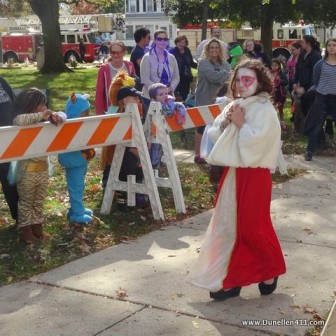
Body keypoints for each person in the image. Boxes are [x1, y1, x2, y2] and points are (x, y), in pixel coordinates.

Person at [186, 59, 286, 300]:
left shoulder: (264, 109)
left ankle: (269, 268)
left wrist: (241, 125)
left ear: (260, 82)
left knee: (252, 226)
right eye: (238, 80)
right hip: (233, 173)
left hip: (255, 173)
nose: (241, 85)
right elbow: (216, 134)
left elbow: (260, 143)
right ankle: (230, 278)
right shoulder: (236, 104)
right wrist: (226, 122)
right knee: (228, 224)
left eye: (247, 80)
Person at [12, 88, 66, 243]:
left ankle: (37, 227)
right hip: (27, 172)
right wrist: (40, 115)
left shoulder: (45, 122)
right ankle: (25, 230)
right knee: (27, 201)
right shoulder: (22, 120)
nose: (44, 107)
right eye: (40, 104)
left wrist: (57, 116)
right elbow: (20, 120)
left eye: (44, 104)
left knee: (39, 200)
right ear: (29, 105)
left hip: (42, 170)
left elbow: (63, 116)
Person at [58, 93, 95, 224]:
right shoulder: (69, 126)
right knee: (76, 187)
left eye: (87, 112)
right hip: (73, 161)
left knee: (79, 185)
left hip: (81, 160)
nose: (86, 115)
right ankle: (77, 213)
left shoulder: (81, 125)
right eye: (83, 113)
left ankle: (76, 209)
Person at [194, 37, 231, 163]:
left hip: (220, 99)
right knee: (202, 126)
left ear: (220, 50)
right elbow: (213, 77)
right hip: (205, 97)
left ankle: (213, 152)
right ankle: (198, 154)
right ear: (207, 50)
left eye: (216, 47)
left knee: (218, 125)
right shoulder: (203, 62)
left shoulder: (225, 64)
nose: (214, 50)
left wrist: (222, 75)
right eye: (211, 48)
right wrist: (223, 75)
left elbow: (228, 77)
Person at [114, 86, 146, 211]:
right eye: (135, 97)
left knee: (137, 173)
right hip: (125, 151)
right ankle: (122, 201)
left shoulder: (137, 112)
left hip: (137, 149)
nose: (138, 99)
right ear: (125, 100)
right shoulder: (121, 114)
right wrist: (133, 149)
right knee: (125, 174)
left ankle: (136, 197)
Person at [304, 37, 336, 161]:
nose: (332, 47)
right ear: (326, 48)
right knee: (317, 125)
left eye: (334, 45)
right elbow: (316, 80)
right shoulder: (320, 64)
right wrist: (321, 90)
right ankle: (309, 151)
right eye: (330, 45)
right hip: (322, 97)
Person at [140, 29, 180, 107]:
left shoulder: (171, 57)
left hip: (168, 97)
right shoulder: (147, 57)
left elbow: (176, 77)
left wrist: (170, 88)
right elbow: (145, 79)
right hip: (150, 98)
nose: (162, 41)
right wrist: (159, 91)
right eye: (159, 39)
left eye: (165, 39)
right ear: (154, 41)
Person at [95, 40, 136, 115]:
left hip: (128, 109)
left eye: (118, 52)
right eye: (113, 52)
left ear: (123, 53)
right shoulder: (104, 69)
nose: (116, 55)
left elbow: (134, 87)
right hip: (111, 110)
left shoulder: (130, 66)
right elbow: (99, 94)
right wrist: (99, 115)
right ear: (110, 53)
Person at [0, 75, 19, 223]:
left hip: (8, 142)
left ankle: (19, 216)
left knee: (10, 179)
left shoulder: (1, 81)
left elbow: (15, 104)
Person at [292, 35, 321, 117]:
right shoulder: (302, 54)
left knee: (310, 112)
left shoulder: (316, 55)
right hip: (300, 86)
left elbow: (315, 74)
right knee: (302, 110)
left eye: (302, 42)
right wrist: (295, 82)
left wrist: (306, 89)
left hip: (310, 88)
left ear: (308, 43)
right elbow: (297, 69)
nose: (301, 43)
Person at [171, 35, 197, 101]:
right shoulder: (172, 51)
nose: (180, 44)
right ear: (176, 42)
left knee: (185, 95)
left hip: (186, 77)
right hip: (176, 77)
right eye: (179, 42)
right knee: (177, 96)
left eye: (182, 43)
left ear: (185, 44)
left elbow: (191, 62)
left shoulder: (187, 50)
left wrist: (199, 65)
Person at [270, 58, 288, 125]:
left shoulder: (281, 73)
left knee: (280, 107)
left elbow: (286, 82)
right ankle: (273, 121)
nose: (274, 67)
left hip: (280, 93)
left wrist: (280, 80)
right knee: (272, 107)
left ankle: (282, 121)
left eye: (275, 65)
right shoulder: (269, 73)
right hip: (272, 93)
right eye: (272, 65)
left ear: (279, 66)